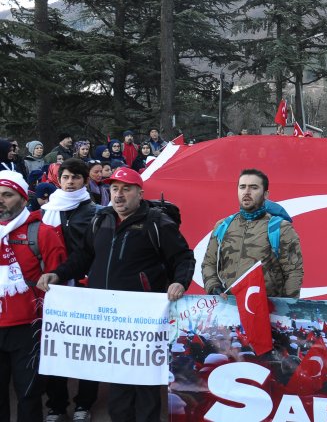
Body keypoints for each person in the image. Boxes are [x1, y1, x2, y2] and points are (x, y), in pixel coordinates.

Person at [37, 168, 195, 422]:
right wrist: (57, 273)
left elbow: (183, 257)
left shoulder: (157, 223)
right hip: (109, 319)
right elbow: (84, 256)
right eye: (114, 189)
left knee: (144, 385)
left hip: (143, 319)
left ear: (140, 193)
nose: (119, 195)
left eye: (126, 188)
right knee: (117, 383)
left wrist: (180, 281)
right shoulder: (101, 219)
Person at [0, 170, 67, 422]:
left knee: (29, 396)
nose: (1, 200)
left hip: (29, 329)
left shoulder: (42, 233)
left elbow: (61, 279)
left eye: (7, 195)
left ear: (21, 197)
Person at [39, 159, 101, 422]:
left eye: (76, 177)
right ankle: (56, 404)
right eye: (66, 177)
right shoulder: (47, 209)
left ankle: (84, 404)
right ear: (58, 180)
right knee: (55, 348)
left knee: (87, 349)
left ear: (85, 181)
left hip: (83, 286)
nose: (70, 182)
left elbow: (92, 252)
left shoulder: (96, 211)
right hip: (53, 288)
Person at [202, 169, 304, 299]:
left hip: (267, 311)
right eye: (242, 187)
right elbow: (208, 264)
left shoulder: (281, 228)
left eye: (254, 187)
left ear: (266, 194)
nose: (246, 192)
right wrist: (213, 287)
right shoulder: (222, 226)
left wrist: (287, 309)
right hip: (228, 308)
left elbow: (293, 272)